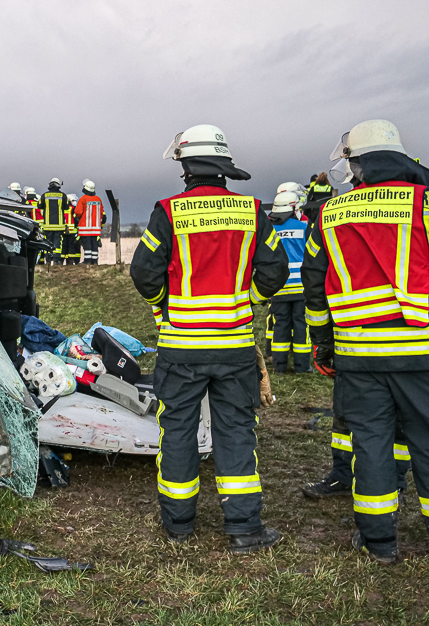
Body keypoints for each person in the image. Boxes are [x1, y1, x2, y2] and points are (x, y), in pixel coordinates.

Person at [302, 119, 429, 566]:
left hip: (357, 356)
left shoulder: (331, 212)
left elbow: (315, 282)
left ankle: (378, 543)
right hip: (422, 354)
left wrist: (322, 343)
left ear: (358, 163)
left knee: (369, 445)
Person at [131, 124, 289, 551]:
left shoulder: (168, 212)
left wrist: (164, 307)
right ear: (223, 166)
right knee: (236, 430)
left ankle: (178, 524)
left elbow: (143, 273)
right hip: (234, 343)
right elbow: (275, 271)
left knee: (178, 429)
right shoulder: (252, 210)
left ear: (185, 167)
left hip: (181, 345)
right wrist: (249, 298)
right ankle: (244, 527)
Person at [302, 270, 429, 499]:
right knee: (394, 422)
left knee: (357, 421)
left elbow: (316, 282)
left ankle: (358, 480)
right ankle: (383, 481)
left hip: (360, 351)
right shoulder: (417, 239)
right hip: (413, 354)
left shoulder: (338, 235)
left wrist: (323, 342)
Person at [268, 189, 312, 374]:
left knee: (281, 325)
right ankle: (302, 366)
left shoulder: (272, 230)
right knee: (302, 324)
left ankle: (279, 365)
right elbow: (312, 255)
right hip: (301, 288)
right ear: (294, 208)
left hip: (279, 288)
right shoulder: (303, 228)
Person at [74, 179, 105, 265]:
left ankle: (87, 261)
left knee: (87, 245)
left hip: (85, 227)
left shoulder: (83, 199)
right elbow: (102, 213)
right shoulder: (98, 199)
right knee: (94, 244)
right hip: (96, 228)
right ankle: (94, 261)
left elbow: (78, 212)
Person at [38, 179, 67, 265]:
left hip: (48, 225)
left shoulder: (45, 195)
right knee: (57, 242)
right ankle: (56, 260)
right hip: (59, 225)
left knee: (48, 242)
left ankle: (48, 260)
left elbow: (39, 205)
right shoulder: (63, 195)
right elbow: (66, 207)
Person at [61, 193, 80, 264]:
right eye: (73, 200)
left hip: (63, 231)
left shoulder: (62, 209)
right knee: (71, 246)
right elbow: (76, 219)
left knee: (64, 246)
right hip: (72, 231)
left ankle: (61, 261)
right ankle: (70, 261)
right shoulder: (73, 209)